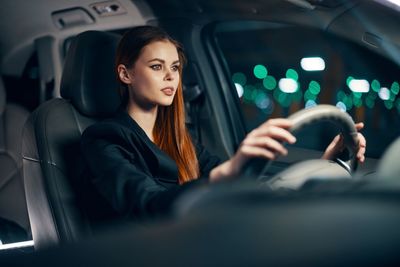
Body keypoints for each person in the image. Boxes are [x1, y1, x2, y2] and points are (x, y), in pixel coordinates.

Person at [81, 25, 366, 220]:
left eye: (176, 67)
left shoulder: (182, 137)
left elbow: (234, 184)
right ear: (125, 74)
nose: (171, 77)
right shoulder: (104, 138)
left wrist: (324, 163)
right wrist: (228, 170)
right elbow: (146, 204)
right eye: (157, 67)